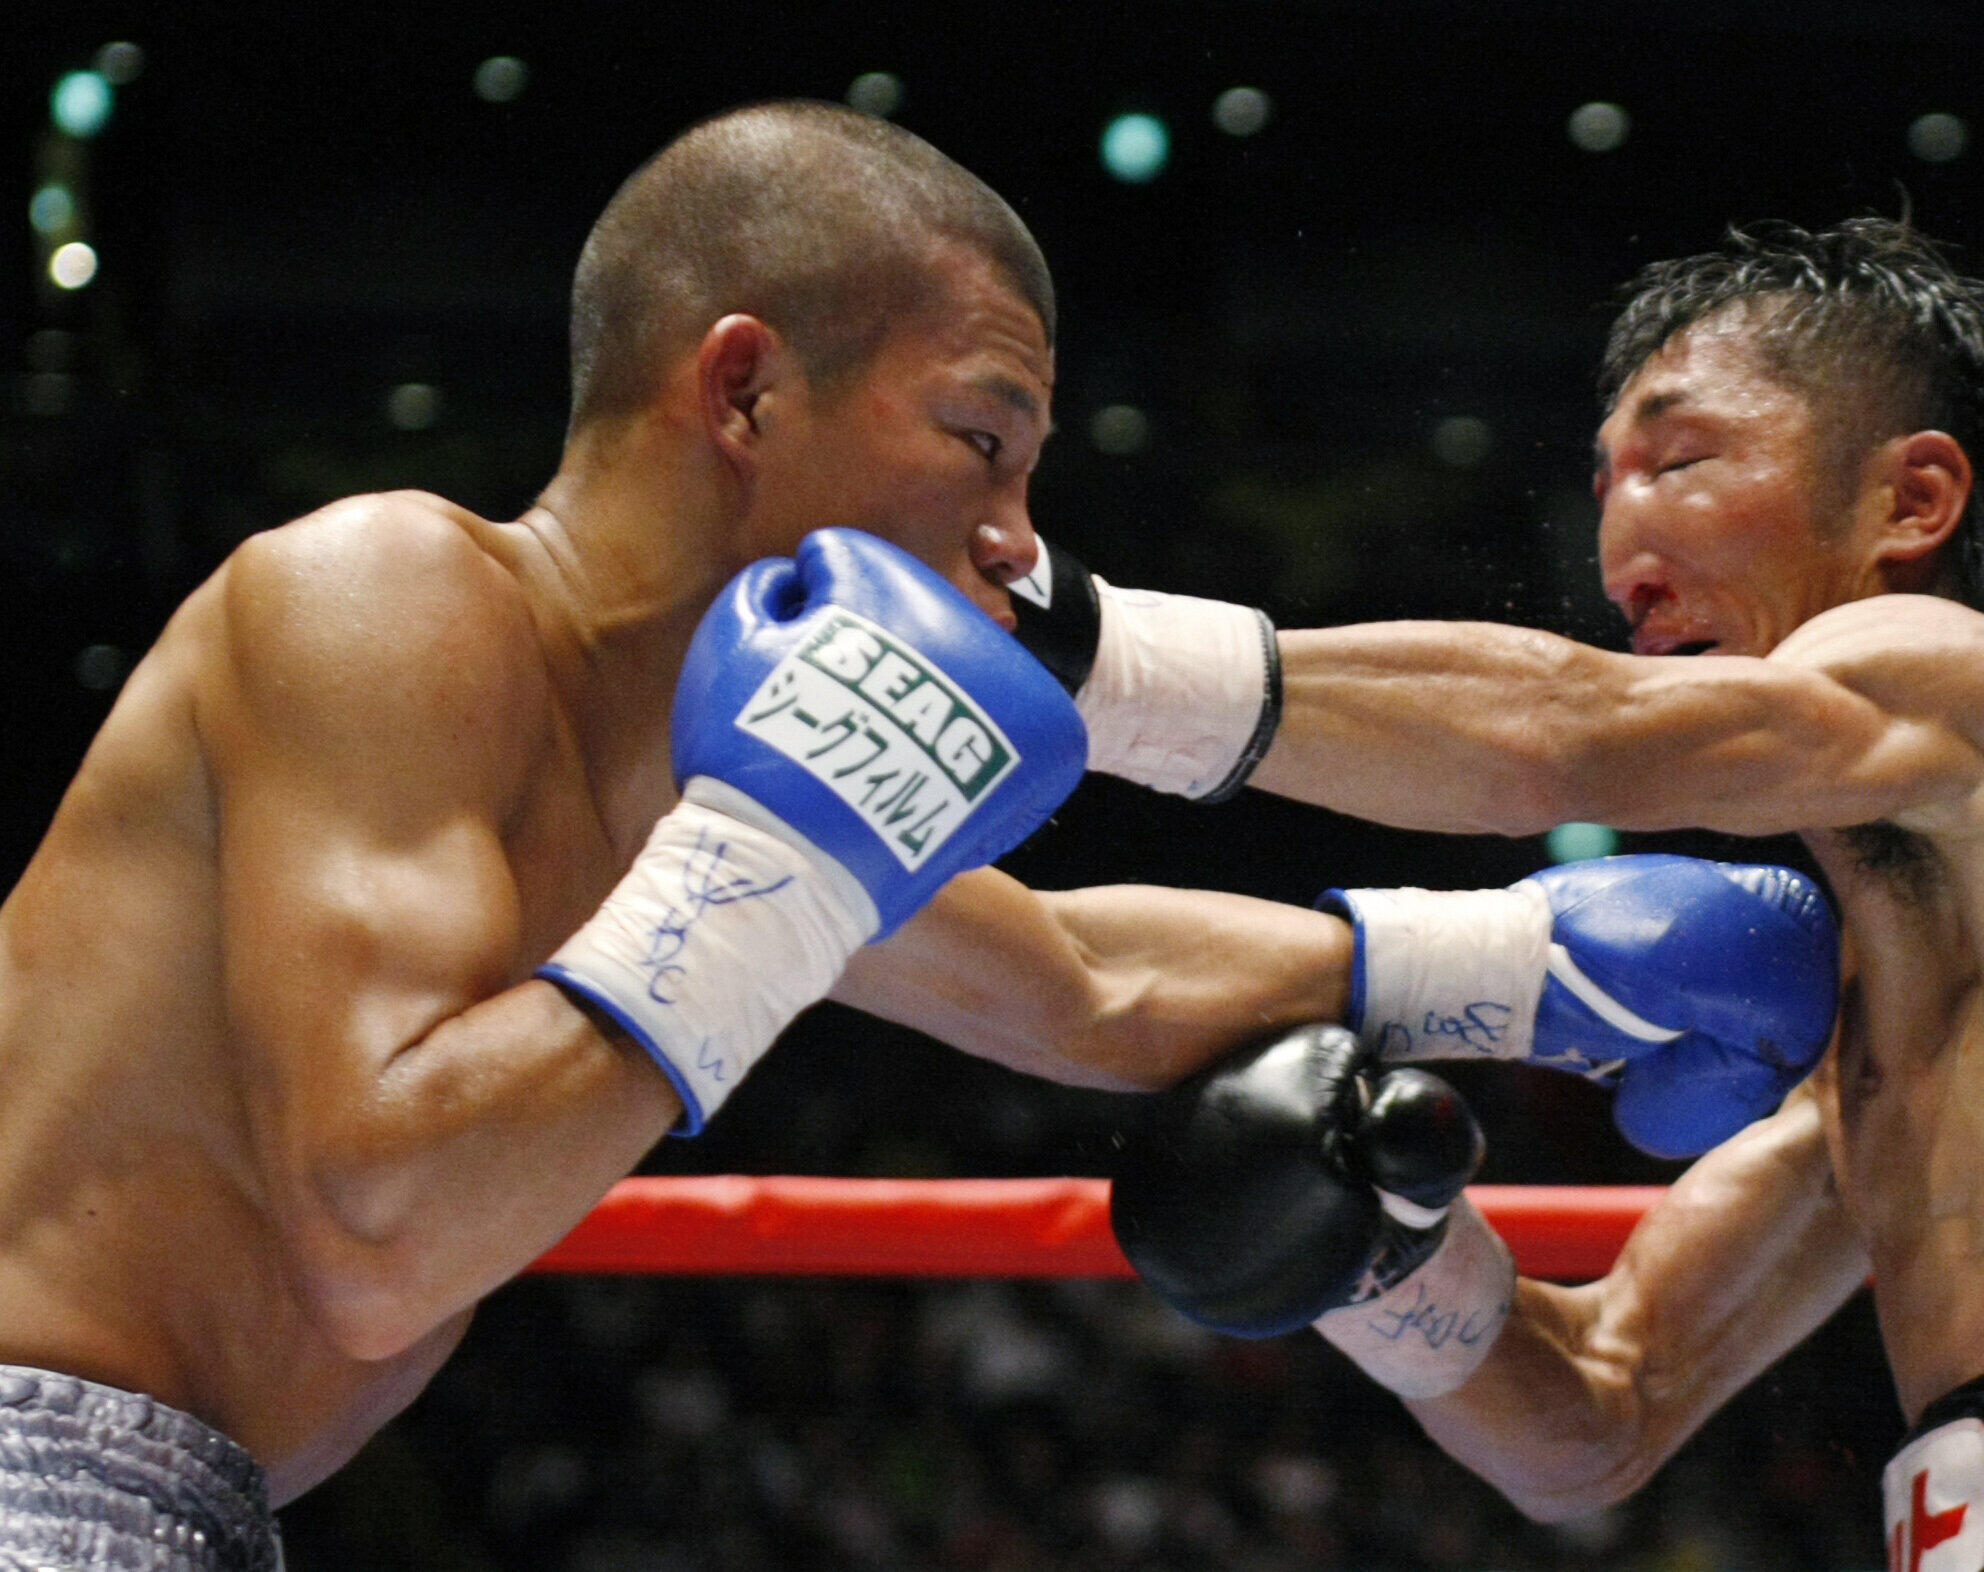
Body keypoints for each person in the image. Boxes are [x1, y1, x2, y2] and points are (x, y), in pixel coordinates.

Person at [0, 98, 1846, 1567]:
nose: (1014, 544)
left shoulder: (710, 782)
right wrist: (785, 867)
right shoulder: (389, 595)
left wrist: (1544, 970)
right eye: (983, 439)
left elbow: (1087, 986)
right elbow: (379, 1230)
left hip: (200, 1507)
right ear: (741, 389)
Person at [1097, 219, 1984, 1571]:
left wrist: (1096, 660)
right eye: (1605, 483)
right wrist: (1395, 1265)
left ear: (1912, 503)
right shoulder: (1902, 1061)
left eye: (1682, 457)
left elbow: (1570, 734)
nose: (1620, 547)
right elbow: (1597, 1418)